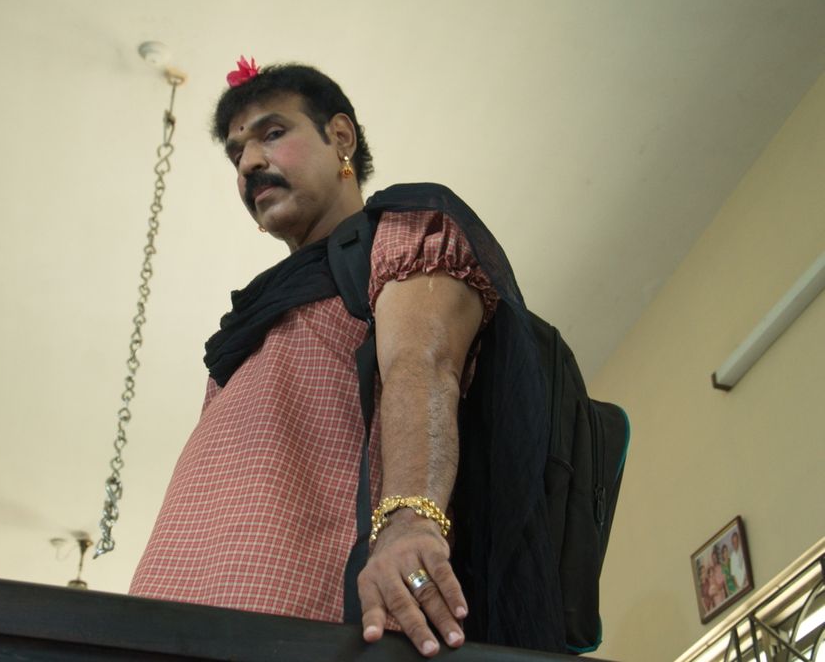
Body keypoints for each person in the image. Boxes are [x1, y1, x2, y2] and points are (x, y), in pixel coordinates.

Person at [130, 60, 565, 656]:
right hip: (167, 609)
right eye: (236, 154)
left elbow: (423, 364)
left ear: (340, 137)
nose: (249, 162)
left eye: (272, 133)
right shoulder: (252, 321)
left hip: (303, 609)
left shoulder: (404, 231)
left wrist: (410, 525)